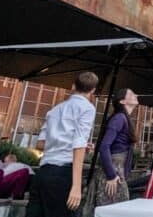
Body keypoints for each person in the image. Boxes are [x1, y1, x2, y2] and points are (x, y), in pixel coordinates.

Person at [27, 71, 98, 217]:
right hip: (62, 174)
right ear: (93, 90)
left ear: (73, 86)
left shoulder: (54, 110)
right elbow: (78, 145)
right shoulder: (87, 108)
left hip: (42, 173)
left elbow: (39, 144)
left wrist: (62, 143)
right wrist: (77, 186)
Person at [83, 88, 138, 216]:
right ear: (123, 101)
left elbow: (110, 144)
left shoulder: (123, 118)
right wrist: (111, 175)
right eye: (131, 94)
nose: (135, 95)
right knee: (114, 211)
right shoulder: (119, 118)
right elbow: (104, 146)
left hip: (116, 172)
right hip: (113, 174)